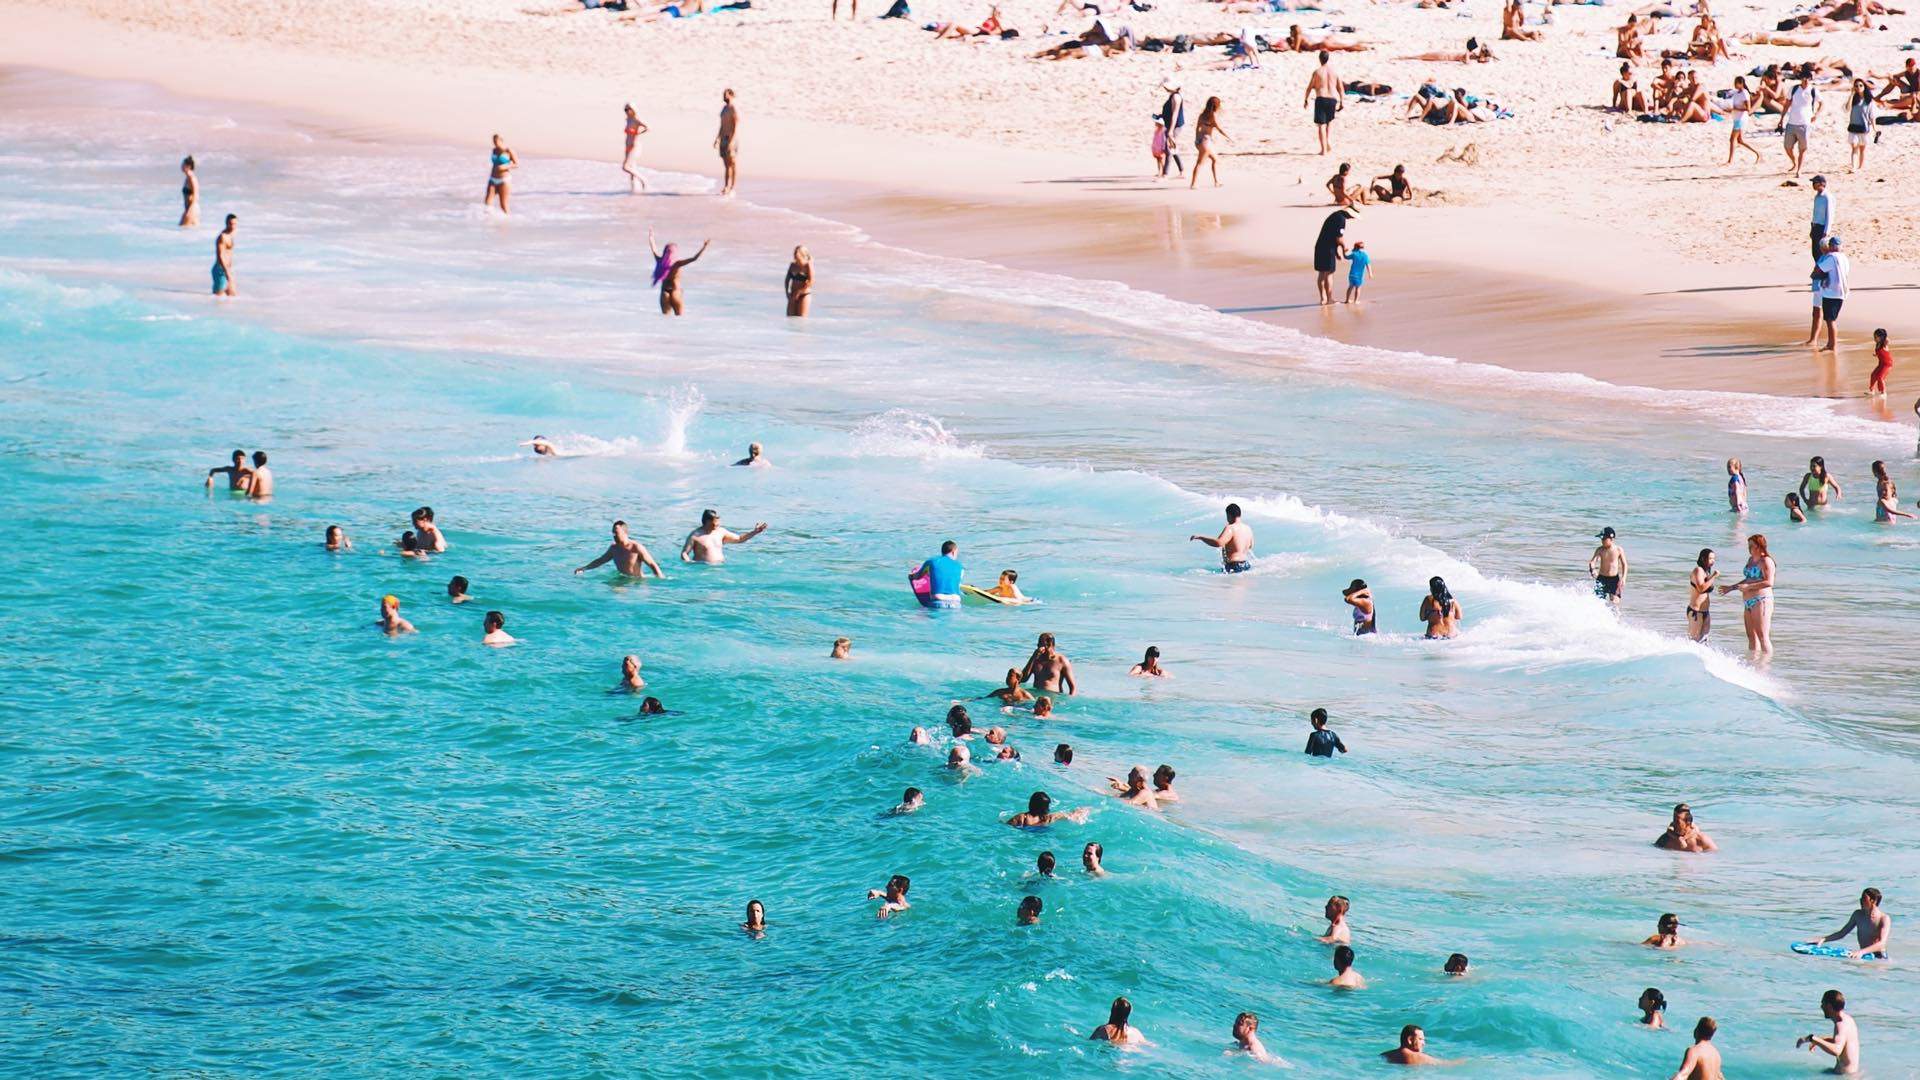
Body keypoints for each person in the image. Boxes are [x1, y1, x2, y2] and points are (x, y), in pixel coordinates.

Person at [1719, 533, 1775, 652]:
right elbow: (1748, 579)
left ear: (1759, 546)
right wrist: (1731, 588)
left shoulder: (1766, 561)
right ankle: (1753, 664)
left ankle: (1766, 665)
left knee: (1762, 636)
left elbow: (1769, 582)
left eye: (1752, 546)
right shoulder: (1751, 560)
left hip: (1761, 600)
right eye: (1748, 546)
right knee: (1751, 637)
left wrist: (1749, 587)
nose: (1749, 549)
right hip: (1748, 601)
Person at [1803, 887, 1890, 958]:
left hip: (1879, 958)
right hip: (1863, 955)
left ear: (1873, 901)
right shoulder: (1858, 915)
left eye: (1864, 898)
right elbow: (1842, 933)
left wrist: (1861, 952)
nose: (1860, 900)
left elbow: (1881, 944)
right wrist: (1823, 939)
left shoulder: (1884, 918)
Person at [648, 229, 711, 316]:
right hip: (676, 292)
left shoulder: (660, 261)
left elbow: (654, 249)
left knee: (666, 320)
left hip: (664, 292)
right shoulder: (677, 264)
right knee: (680, 320)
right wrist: (704, 247)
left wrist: (651, 238)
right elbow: (694, 258)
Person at [1796, 990, 1861, 1073]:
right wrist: (1821, 1040)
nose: (1821, 1007)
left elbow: (1837, 1050)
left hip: (1844, 1077)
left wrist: (1812, 1039)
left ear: (1829, 1006)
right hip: (1851, 1075)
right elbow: (1844, 1042)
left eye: (1822, 1003)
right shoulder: (1848, 1019)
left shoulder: (1840, 1025)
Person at [576, 519, 665, 578]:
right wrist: (584, 568)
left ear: (625, 532)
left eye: (616, 533)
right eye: (613, 533)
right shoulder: (614, 548)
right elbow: (601, 560)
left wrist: (660, 579)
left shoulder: (636, 547)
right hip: (622, 579)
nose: (614, 535)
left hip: (637, 582)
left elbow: (652, 565)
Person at [681, 509, 767, 564]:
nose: (718, 524)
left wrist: (754, 532)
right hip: (702, 570)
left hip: (720, 569)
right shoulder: (695, 536)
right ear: (707, 521)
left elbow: (740, 539)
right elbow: (684, 553)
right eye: (715, 522)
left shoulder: (721, 532)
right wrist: (689, 563)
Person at [1313, 207, 1359, 305]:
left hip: (1319, 247)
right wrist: (1344, 247)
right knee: (1329, 273)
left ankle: (1323, 299)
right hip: (1328, 249)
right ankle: (1329, 299)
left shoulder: (1334, 215)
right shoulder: (1341, 219)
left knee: (1321, 273)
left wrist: (1337, 252)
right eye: (1352, 217)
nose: (1351, 219)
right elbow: (1339, 238)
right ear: (1349, 214)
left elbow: (1332, 234)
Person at [1190, 502, 1255, 571]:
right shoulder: (1248, 528)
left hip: (1234, 565)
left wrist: (1201, 537)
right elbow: (1251, 546)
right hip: (1246, 564)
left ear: (1229, 515)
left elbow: (1219, 543)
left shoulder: (1230, 528)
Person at [1814, 236, 1849, 351]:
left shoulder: (1831, 257)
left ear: (1831, 246)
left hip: (1831, 292)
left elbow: (1819, 269)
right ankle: (1831, 343)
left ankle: (1832, 345)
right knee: (1832, 319)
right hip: (1841, 293)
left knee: (1830, 320)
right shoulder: (1844, 258)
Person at [1305, 50, 1343, 153]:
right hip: (1332, 99)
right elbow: (1340, 88)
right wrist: (1342, 101)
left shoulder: (1317, 72)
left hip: (1321, 98)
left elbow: (1309, 87)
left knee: (1321, 125)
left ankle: (1323, 150)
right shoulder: (1334, 72)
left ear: (1319, 59)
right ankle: (1328, 141)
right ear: (1328, 59)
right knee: (1329, 122)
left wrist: (1306, 99)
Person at [1189, 96, 1230, 189]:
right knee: (1199, 163)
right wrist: (1228, 137)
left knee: (1214, 160)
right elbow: (1219, 129)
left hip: (1199, 140)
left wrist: (1197, 139)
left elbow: (1197, 128)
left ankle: (1216, 182)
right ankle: (1193, 184)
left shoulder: (1202, 115)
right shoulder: (1213, 116)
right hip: (1206, 141)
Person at [1785, 75, 1821, 178]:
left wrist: (1816, 114)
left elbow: (1822, 103)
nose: (1806, 80)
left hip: (1805, 123)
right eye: (1804, 78)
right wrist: (1781, 118)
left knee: (1802, 148)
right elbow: (1787, 103)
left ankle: (1799, 170)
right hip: (1792, 122)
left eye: (1808, 78)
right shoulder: (1794, 89)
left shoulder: (1813, 90)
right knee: (1787, 147)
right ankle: (1794, 162)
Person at [913, 540, 965, 607]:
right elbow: (957, 583)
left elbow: (917, 577)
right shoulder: (960, 566)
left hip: (938, 601)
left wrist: (911, 576)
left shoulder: (932, 561)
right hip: (956, 603)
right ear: (954, 552)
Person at [1725, 76, 1763, 163]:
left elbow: (1748, 108)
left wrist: (1735, 109)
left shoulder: (1744, 93)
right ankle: (1758, 153)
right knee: (1740, 140)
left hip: (1741, 118)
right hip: (1737, 118)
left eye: (1736, 83)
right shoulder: (1737, 93)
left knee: (1732, 139)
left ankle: (1730, 160)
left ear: (1741, 83)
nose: (1735, 84)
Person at [1588, 526, 1629, 607]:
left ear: (1611, 538)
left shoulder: (1618, 549)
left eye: (1604, 538)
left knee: (1615, 602)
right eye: (1601, 539)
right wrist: (1592, 569)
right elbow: (1592, 562)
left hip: (1614, 579)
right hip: (1601, 579)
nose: (1602, 541)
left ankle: (1613, 618)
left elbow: (1625, 564)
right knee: (1598, 602)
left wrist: (1624, 578)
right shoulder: (1600, 549)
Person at [1008, 791, 1091, 827]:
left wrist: (1077, 813)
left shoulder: (1022, 818)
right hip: (1044, 835)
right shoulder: (1023, 818)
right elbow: (1067, 816)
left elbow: (1006, 826)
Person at [1686, 549, 1717, 641]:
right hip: (1696, 612)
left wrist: (1711, 576)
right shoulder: (1698, 570)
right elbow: (1701, 588)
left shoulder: (1706, 572)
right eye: (1710, 558)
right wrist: (1714, 576)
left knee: (1703, 641)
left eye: (1714, 559)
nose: (1713, 561)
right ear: (1703, 559)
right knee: (1693, 641)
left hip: (1706, 612)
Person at [715, 89, 741, 196]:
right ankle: (726, 186)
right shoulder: (724, 109)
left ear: (731, 95)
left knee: (732, 163)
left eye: (725, 95)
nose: (724, 97)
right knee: (726, 164)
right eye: (723, 95)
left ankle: (733, 187)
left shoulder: (733, 109)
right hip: (723, 139)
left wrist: (731, 140)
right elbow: (721, 125)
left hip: (731, 139)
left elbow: (735, 125)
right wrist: (717, 138)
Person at [1846, 80, 1876, 171]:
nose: (1858, 87)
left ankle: (1860, 167)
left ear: (1864, 87)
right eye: (1856, 86)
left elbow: (1872, 116)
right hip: (1853, 126)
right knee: (1854, 146)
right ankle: (1854, 167)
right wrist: (1851, 95)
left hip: (1864, 127)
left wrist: (1875, 128)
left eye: (1860, 85)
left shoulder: (1869, 101)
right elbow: (1847, 108)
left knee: (1862, 149)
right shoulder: (1854, 99)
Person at [1158, 82, 1186, 178]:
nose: (1165, 88)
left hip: (1175, 126)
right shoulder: (1173, 95)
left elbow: (1175, 114)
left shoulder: (1176, 97)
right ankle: (1182, 171)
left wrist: (1170, 131)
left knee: (1169, 148)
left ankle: (1165, 174)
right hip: (1170, 124)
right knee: (1172, 148)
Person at [483, 135, 517, 213]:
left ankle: (508, 222)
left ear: (501, 141)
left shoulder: (508, 151)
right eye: (494, 142)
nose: (495, 144)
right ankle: (487, 221)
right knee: (487, 202)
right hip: (492, 178)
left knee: (503, 204)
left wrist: (505, 166)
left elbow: (516, 164)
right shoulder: (494, 150)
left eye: (496, 141)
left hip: (504, 180)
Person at [621, 104, 649, 193]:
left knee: (625, 167)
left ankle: (643, 180)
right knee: (632, 167)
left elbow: (647, 127)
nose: (627, 111)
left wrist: (638, 133)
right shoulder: (628, 120)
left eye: (628, 109)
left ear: (633, 109)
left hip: (634, 145)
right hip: (627, 146)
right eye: (625, 110)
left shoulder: (636, 120)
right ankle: (633, 189)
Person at [782, 247, 813, 317]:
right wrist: (787, 292)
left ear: (802, 254)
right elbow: (787, 280)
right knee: (790, 318)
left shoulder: (807, 265)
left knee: (801, 319)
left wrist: (799, 292)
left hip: (804, 295)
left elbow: (811, 281)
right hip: (793, 294)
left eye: (797, 253)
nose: (795, 255)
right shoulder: (792, 265)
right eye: (794, 253)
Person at [211, 214, 236, 296]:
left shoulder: (231, 235)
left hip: (227, 269)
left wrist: (229, 270)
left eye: (235, 224)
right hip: (220, 270)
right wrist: (227, 272)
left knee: (232, 295)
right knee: (218, 297)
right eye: (231, 224)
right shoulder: (222, 237)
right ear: (226, 223)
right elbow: (220, 256)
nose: (233, 226)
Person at [1868, 327, 1893, 396]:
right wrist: (1876, 354)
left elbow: (1888, 340)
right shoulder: (1877, 344)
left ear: (1882, 337)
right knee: (1873, 375)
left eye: (1876, 337)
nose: (1874, 338)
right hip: (1881, 364)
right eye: (1874, 336)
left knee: (1880, 377)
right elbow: (1881, 353)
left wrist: (1884, 336)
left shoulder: (1884, 344)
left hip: (1887, 364)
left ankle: (1883, 392)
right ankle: (1871, 390)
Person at [178, 155, 199, 228]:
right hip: (188, 209)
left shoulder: (192, 178)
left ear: (189, 166)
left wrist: (190, 211)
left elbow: (196, 195)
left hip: (192, 209)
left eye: (183, 165)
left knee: (182, 228)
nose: (181, 166)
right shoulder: (187, 178)